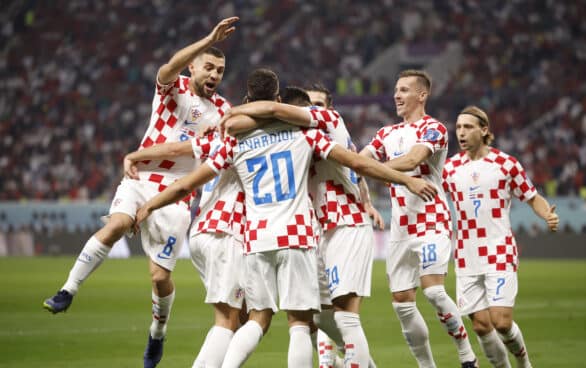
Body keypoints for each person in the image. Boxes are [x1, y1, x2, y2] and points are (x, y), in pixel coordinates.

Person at [132, 68, 438, 368]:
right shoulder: (306, 136)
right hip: (298, 234)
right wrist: (406, 180)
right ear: (283, 102)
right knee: (301, 324)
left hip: (254, 238)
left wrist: (149, 205)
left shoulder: (234, 141)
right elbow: (359, 164)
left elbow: (187, 183)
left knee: (257, 319)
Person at [42, 16, 239, 368]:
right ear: (192, 66)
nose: (214, 75)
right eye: (208, 67)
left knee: (160, 276)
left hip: (176, 194)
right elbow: (168, 66)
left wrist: (135, 153)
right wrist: (207, 37)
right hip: (139, 179)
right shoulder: (173, 88)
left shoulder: (223, 112)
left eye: (220, 71)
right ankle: (68, 290)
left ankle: (157, 334)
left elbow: (186, 151)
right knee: (116, 224)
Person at [120, 86, 318, 367]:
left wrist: (137, 156)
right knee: (229, 320)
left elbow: (178, 149)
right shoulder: (256, 138)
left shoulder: (220, 135)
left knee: (245, 315)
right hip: (229, 230)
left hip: (204, 230)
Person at [222, 83, 382, 367]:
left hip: (343, 224)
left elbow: (357, 165)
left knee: (339, 315)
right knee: (316, 317)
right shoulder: (299, 136)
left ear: (328, 108)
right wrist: (368, 199)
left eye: (317, 105)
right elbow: (356, 169)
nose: (310, 111)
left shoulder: (323, 126)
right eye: (307, 106)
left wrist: (230, 114)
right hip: (311, 232)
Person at [360, 70, 478, 368]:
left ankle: (466, 355)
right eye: (396, 90)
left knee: (435, 291)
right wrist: (356, 165)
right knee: (402, 302)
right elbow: (360, 159)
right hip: (400, 227)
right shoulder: (385, 133)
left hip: (431, 220)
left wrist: (373, 168)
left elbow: (413, 160)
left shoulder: (434, 128)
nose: (396, 95)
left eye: (404, 90)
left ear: (421, 95)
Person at [441, 105, 559, 368]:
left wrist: (546, 215)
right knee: (482, 326)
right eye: (458, 127)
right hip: (465, 254)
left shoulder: (505, 164)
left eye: (468, 127)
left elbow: (532, 197)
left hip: (498, 250)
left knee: (502, 322)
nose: (461, 132)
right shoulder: (448, 168)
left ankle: (524, 363)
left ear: (484, 130)